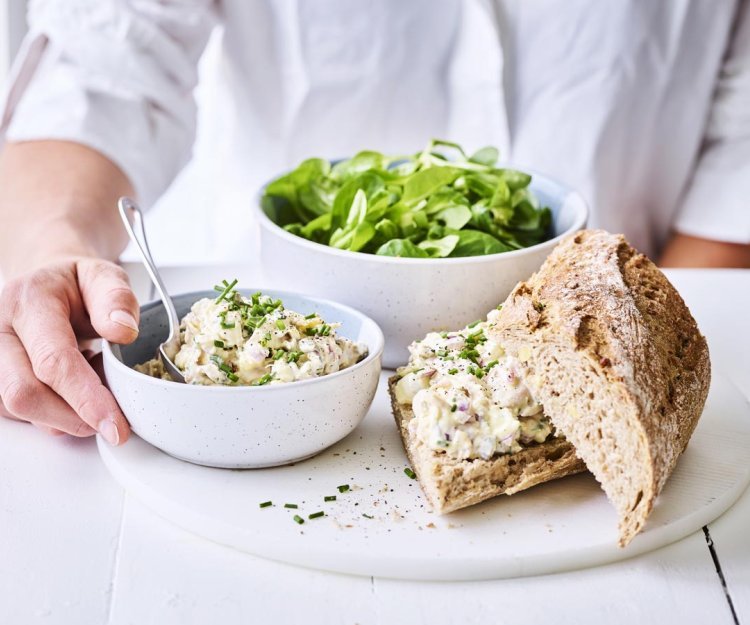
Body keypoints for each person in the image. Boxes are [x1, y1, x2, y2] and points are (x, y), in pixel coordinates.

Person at [1, 0, 749, 445]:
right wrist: (53, 246)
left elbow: (732, 175)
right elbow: (101, 69)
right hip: (276, 380)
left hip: (590, 370)